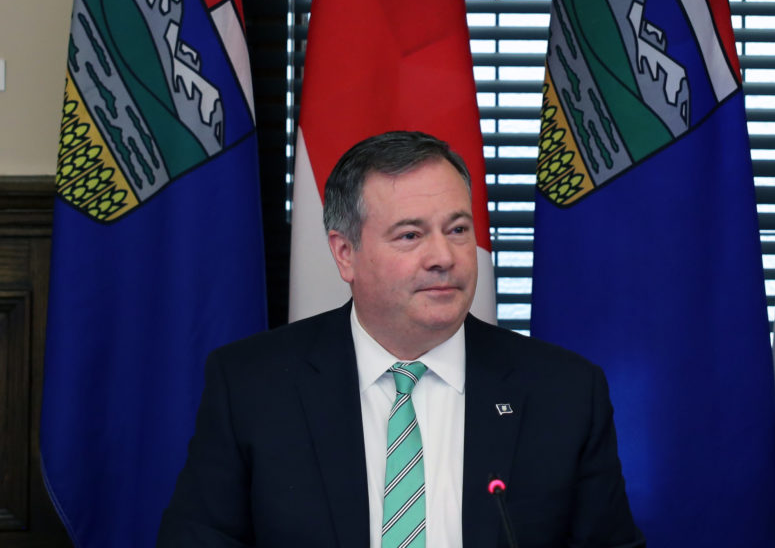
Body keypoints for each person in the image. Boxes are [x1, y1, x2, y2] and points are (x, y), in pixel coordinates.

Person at [157, 131, 645, 547]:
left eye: (457, 229)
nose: (444, 256)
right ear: (345, 253)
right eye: (410, 235)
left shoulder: (564, 392)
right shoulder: (252, 386)